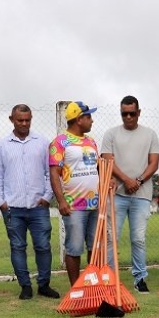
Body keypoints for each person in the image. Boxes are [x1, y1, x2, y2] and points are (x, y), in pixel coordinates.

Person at [0, 104, 59, 300]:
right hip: (12, 208)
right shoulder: (2, 146)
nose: (24, 123)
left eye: (27, 120)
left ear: (31, 118)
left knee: (43, 246)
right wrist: (1, 203)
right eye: (20, 120)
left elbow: (50, 173)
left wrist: (47, 197)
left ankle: (44, 285)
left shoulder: (42, 143)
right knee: (17, 247)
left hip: (39, 207)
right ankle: (25, 286)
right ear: (11, 119)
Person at [100, 95, 159, 294]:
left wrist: (139, 181)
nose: (128, 117)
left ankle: (140, 278)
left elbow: (154, 163)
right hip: (116, 194)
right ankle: (109, 278)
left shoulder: (150, 134)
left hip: (141, 195)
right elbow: (108, 161)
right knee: (111, 238)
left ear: (138, 112)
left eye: (132, 113)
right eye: (124, 114)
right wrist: (126, 180)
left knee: (138, 238)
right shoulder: (111, 134)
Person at [49, 101, 100, 287]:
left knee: (94, 248)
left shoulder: (91, 141)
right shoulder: (60, 142)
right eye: (89, 117)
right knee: (74, 248)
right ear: (79, 119)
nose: (92, 121)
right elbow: (54, 173)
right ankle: (75, 289)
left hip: (95, 204)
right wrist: (61, 201)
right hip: (73, 206)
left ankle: (92, 285)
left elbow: (97, 168)